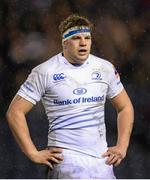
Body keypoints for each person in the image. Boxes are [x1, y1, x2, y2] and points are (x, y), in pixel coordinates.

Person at [6, 14, 134, 179]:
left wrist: (122, 146)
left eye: (87, 38)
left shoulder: (105, 68)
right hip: (66, 163)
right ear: (64, 42)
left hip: (102, 164)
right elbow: (15, 111)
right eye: (76, 38)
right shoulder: (45, 71)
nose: (83, 43)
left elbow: (125, 107)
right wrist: (32, 153)